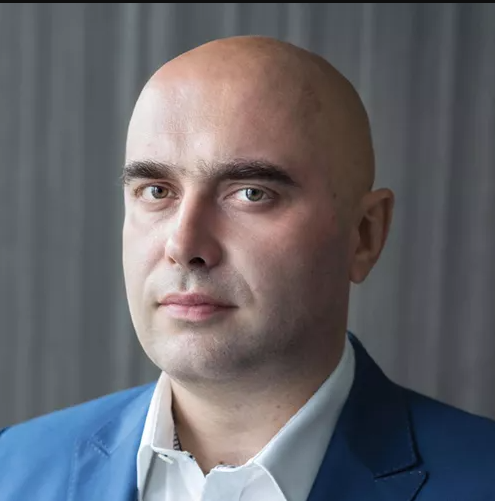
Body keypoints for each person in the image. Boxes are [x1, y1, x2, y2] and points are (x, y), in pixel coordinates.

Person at [1, 35, 494, 501]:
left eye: (252, 194)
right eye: (156, 191)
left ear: (364, 234)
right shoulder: (11, 468)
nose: (183, 245)